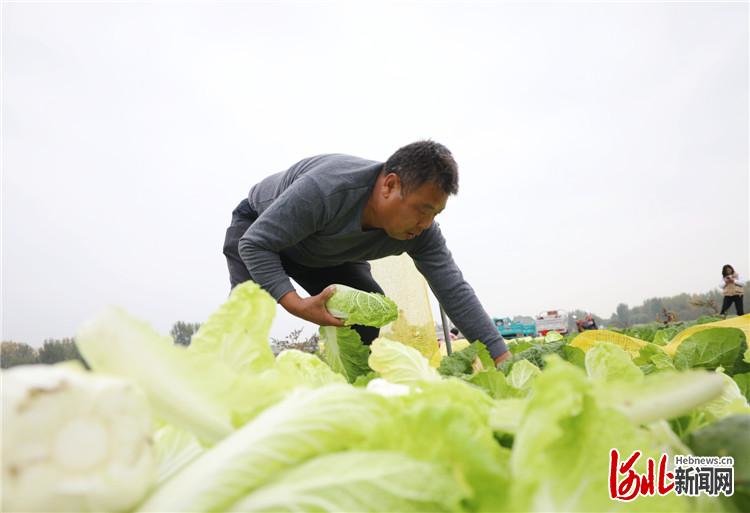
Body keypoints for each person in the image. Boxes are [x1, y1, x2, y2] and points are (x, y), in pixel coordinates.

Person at [222, 141, 511, 365]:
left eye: (435, 213)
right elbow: (255, 244)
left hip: (322, 253)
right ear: (389, 185)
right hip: (260, 228)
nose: (426, 224)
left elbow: (454, 291)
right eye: (422, 210)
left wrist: (501, 358)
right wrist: (295, 302)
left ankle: (349, 396)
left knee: (366, 322)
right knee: (247, 322)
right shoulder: (327, 189)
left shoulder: (423, 234)